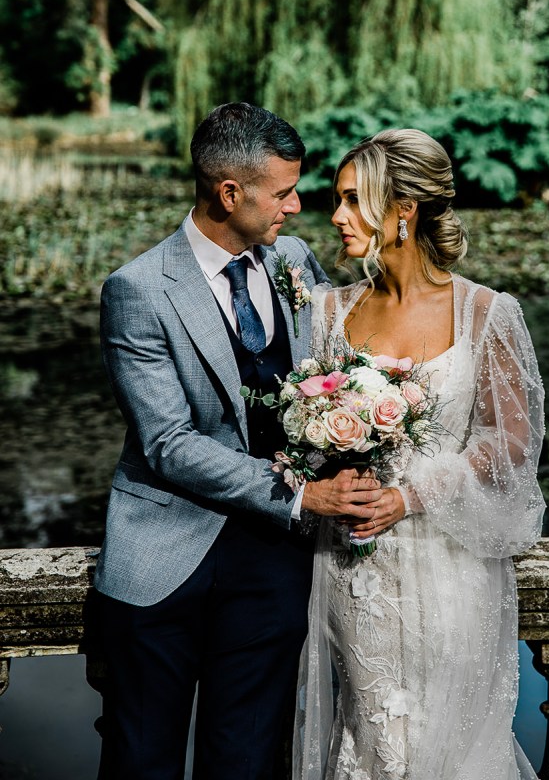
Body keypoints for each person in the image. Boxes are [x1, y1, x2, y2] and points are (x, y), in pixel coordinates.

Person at [92, 102, 382, 780]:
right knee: (142, 761)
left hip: (271, 563)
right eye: (282, 191)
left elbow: (336, 368)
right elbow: (167, 442)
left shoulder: (292, 261)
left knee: (250, 761)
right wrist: (303, 494)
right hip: (165, 559)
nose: (296, 204)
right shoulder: (138, 289)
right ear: (230, 192)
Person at [294, 128, 546, 780]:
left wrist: (410, 495)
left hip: (450, 564)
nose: (336, 216)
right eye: (335, 200)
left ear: (402, 208)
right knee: (375, 737)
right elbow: (302, 428)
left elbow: (508, 440)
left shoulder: (484, 312)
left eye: (353, 200)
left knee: (452, 747)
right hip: (359, 571)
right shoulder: (327, 312)